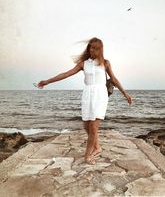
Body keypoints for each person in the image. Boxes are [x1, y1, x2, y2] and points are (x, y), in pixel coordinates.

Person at [37, 37, 132, 165]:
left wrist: (125, 93)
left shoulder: (106, 63)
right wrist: (47, 81)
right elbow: (66, 74)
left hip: (100, 95)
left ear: (100, 50)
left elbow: (114, 79)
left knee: (93, 127)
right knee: (86, 126)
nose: (92, 50)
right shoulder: (83, 63)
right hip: (87, 95)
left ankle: (87, 155)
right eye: (91, 47)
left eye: (95, 48)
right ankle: (98, 147)